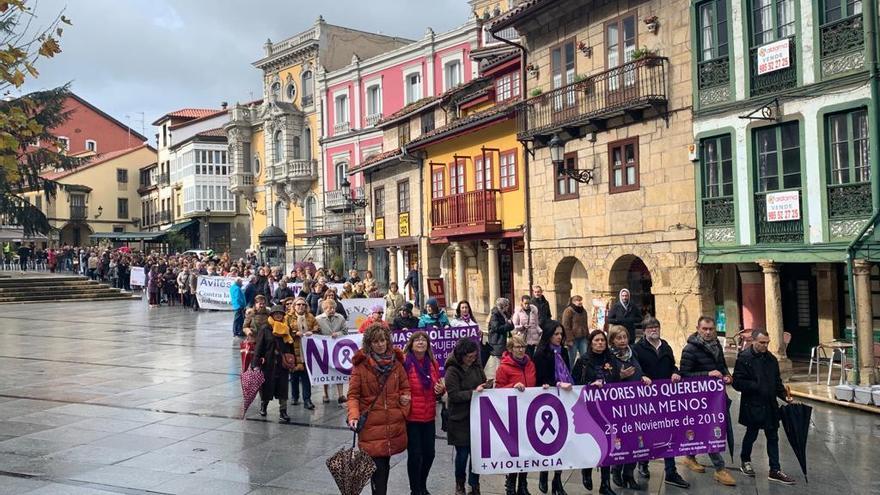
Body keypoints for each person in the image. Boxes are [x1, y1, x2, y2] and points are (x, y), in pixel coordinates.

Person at [347, 323, 411, 495]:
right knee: (379, 469)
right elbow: (353, 395)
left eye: (383, 340)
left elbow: (405, 387)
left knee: (384, 467)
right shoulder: (360, 367)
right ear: (369, 343)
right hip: (371, 427)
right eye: (376, 341)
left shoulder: (396, 364)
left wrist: (403, 407)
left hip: (391, 425)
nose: (380, 344)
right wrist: (354, 416)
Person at [631, 316, 690, 488]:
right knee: (646, 432)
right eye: (650, 327)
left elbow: (672, 365)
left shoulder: (666, 346)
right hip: (646, 399)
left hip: (665, 398)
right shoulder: (637, 348)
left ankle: (671, 471)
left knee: (668, 433)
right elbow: (636, 369)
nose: (654, 329)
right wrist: (641, 376)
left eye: (656, 326)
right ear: (644, 331)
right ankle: (643, 463)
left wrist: (675, 372)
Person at [732, 329, 796, 485]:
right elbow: (737, 382)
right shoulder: (744, 358)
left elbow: (777, 382)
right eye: (762, 342)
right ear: (753, 341)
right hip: (752, 404)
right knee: (751, 434)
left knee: (773, 436)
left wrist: (785, 397)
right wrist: (756, 386)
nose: (765, 345)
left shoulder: (771, 359)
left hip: (770, 404)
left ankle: (775, 469)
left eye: (767, 342)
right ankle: (745, 460)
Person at [679, 316, 736, 487]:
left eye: (711, 329)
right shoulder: (689, 349)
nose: (708, 332)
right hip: (698, 400)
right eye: (704, 329)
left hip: (716, 397)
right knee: (710, 431)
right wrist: (707, 374)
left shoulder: (717, 345)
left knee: (702, 429)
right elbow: (684, 376)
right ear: (698, 329)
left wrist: (727, 375)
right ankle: (719, 469)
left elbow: (722, 365)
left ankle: (689, 456)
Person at [572, 330, 620, 495]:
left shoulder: (611, 359)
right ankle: (587, 470)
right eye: (597, 340)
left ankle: (605, 484)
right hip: (589, 408)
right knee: (590, 442)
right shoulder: (583, 361)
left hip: (607, 407)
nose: (600, 343)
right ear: (591, 342)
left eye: (603, 340)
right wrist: (590, 384)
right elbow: (575, 382)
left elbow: (617, 379)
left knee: (607, 444)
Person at [607, 325, 651, 490]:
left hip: (636, 405)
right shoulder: (609, 357)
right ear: (612, 340)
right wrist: (619, 376)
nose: (623, 341)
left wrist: (644, 376)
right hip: (619, 408)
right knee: (620, 441)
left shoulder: (633, 353)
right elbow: (605, 380)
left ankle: (629, 474)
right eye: (619, 338)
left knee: (635, 440)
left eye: (625, 337)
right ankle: (617, 469)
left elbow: (639, 370)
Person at [533, 321, 573, 495]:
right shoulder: (541, 353)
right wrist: (557, 383)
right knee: (549, 440)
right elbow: (541, 379)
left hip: (564, 399)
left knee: (563, 442)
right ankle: (544, 473)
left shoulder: (563, 351)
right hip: (548, 400)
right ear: (549, 335)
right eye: (556, 334)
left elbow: (569, 371)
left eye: (561, 334)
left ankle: (557, 479)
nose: (559, 337)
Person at [403, 331, 445, 495]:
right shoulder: (406, 362)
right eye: (417, 340)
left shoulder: (432, 363)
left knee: (430, 454)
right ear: (411, 344)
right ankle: (415, 489)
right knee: (415, 455)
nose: (421, 342)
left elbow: (438, 386)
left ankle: (422, 484)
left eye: (424, 340)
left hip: (428, 415)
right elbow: (400, 385)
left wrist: (441, 390)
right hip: (412, 417)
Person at [493, 334, 535, 495]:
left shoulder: (530, 364)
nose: (521, 350)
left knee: (527, 449)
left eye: (523, 346)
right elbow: (497, 391)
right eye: (517, 347)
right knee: (515, 450)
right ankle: (510, 483)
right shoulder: (504, 367)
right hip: (512, 413)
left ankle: (523, 484)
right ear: (510, 349)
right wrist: (512, 386)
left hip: (528, 412)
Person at [445, 338, 487, 495]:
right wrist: (474, 392)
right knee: (462, 454)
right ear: (461, 355)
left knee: (476, 454)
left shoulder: (476, 366)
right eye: (469, 357)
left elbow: (482, 381)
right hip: (459, 418)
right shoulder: (452, 370)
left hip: (476, 416)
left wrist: (486, 386)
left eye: (474, 356)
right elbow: (454, 395)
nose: (472, 359)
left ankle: (474, 484)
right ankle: (460, 483)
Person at [253, 305, 293, 423]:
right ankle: (263, 405)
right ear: (272, 315)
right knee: (267, 387)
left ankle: (283, 411)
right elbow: (259, 346)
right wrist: (255, 364)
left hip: (282, 363)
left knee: (283, 388)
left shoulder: (286, 328)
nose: (278, 315)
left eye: (280, 314)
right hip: (268, 363)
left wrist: (292, 361)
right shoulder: (265, 328)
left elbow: (290, 346)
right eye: (276, 314)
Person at [286, 297, 318, 410]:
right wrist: (295, 333)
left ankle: (307, 399)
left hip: (307, 351)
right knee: (294, 376)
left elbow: (317, 327)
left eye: (303, 305)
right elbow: (285, 330)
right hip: (293, 350)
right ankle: (294, 397)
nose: (301, 307)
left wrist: (312, 331)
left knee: (306, 376)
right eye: (298, 304)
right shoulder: (288, 317)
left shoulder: (310, 316)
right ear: (294, 306)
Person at [315, 299, 348, 404]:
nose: (332, 310)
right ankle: (325, 394)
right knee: (325, 370)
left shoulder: (340, 317)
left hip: (337, 348)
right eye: (329, 308)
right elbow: (315, 332)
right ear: (324, 309)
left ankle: (341, 395)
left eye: (333, 307)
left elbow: (345, 331)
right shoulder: (318, 319)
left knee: (339, 369)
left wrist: (337, 334)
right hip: (323, 348)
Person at [486, 297, 513, 380]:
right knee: (499, 361)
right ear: (503, 306)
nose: (508, 307)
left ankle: (502, 377)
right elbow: (496, 328)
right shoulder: (495, 314)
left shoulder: (504, 314)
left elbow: (511, 325)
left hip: (503, 340)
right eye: (507, 305)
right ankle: (498, 379)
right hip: (497, 341)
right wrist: (508, 325)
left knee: (503, 360)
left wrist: (509, 325)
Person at [561, 295, 589, 366]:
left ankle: (583, 373)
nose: (580, 302)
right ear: (573, 302)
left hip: (583, 337)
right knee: (571, 358)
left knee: (584, 356)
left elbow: (585, 324)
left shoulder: (583, 311)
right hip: (573, 338)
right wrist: (569, 339)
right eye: (578, 300)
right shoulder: (568, 311)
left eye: (580, 300)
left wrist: (588, 336)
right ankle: (569, 373)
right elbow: (566, 326)